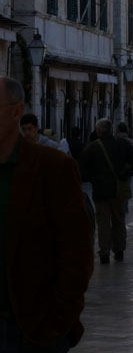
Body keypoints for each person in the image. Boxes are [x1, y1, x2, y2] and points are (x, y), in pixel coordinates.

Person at [0, 76, 93, 351]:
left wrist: (54, 327)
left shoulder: (53, 168)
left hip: (31, 329)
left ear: (16, 112)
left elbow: (77, 255)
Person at [80, 117, 133, 264]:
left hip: (100, 191)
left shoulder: (92, 147)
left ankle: (104, 252)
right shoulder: (122, 144)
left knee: (103, 222)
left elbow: (82, 167)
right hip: (118, 189)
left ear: (99, 131)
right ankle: (119, 250)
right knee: (119, 220)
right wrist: (127, 172)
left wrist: (92, 178)